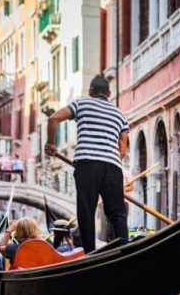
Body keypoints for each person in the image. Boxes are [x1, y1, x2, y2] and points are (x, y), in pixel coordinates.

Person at [45, 75, 130, 253]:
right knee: (118, 214)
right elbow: (122, 148)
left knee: (86, 212)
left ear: (91, 92)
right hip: (113, 167)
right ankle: (125, 250)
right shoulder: (120, 115)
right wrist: (111, 160)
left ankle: (90, 254)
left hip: (87, 164)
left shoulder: (82, 104)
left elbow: (53, 119)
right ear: (109, 93)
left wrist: (51, 143)